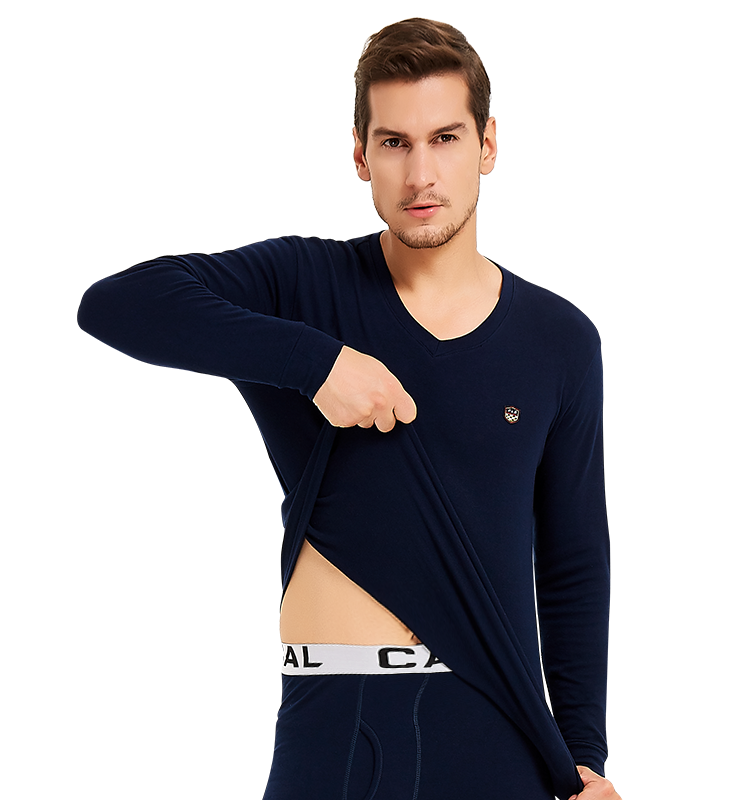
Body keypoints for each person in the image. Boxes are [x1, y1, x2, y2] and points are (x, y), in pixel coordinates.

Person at [78, 18, 615, 800]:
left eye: (445, 138)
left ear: (488, 146)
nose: (420, 175)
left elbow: (573, 566)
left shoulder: (557, 338)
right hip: (338, 719)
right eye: (395, 143)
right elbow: (117, 304)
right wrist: (317, 364)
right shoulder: (303, 286)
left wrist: (587, 754)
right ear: (361, 156)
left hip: (501, 727)